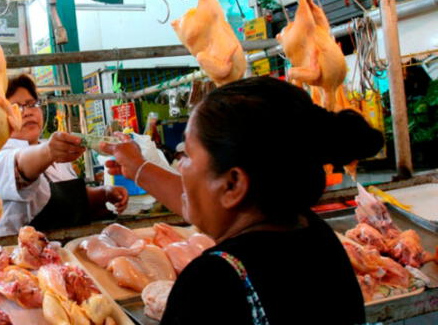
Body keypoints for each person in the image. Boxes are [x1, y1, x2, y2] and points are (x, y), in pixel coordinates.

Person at [101, 77, 381, 324]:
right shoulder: (317, 236)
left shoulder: (213, 284)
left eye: (186, 154)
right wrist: (138, 168)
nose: (180, 164)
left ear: (233, 184)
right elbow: (197, 201)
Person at [0, 74, 129, 236]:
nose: (27, 112)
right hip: (26, 255)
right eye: (15, 107)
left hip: (71, 250)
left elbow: (69, 201)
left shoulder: (55, 152)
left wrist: (105, 193)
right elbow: (20, 166)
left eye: (31, 104)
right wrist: (49, 152)